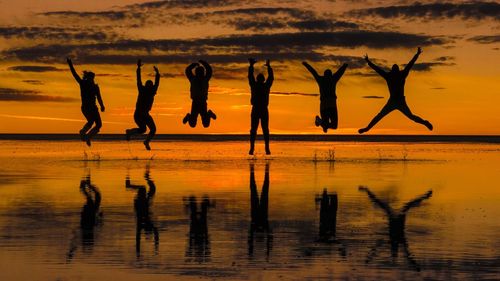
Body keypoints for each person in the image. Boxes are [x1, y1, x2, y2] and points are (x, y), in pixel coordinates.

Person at [359, 47, 433, 134]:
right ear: (392, 70)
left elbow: (410, 64)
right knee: (380, 115)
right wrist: (368, 62)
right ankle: (367, 128)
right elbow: (377, 69)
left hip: (401, 101)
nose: (395, 70)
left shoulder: (401, 74)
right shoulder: (389, 76)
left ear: (398, 70)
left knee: (411, 116)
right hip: (392, 101)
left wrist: (417, 54)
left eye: (396, 69)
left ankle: (425, 122)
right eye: (394, 69)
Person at [359, 186, 432, 271]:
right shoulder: (400, 241)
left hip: (396, 229)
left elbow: (376, 250)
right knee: (405, 206)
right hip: (398, 230)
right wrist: (415, 266)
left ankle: (425, 196)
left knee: (401, 206)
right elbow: (408, 256)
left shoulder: (394, 239)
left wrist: (369, 257)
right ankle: (425, 196)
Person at [67, 58, 105, 146]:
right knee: (91, 122)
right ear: (88, 78)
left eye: (93, 78)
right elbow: (75, 74)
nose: (92, 80)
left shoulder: (95, 87)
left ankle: (88, 136)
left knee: (98, 124)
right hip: (86, 107)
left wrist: (102, 106)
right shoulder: (83, 84)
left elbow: (99, 97)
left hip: (93, 108)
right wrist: (70, 65)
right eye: (91, 78)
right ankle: (83, 133)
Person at [302, 61, 348, 133]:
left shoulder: (321, 79)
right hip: (331, 105)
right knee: (334, 126)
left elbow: (313, 72)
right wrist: (344, 66)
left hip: (324, 106)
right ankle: (321, 123)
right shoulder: (332, 79)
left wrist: (306, 65)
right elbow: (339, 73)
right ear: (330, 75)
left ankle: (321, 123)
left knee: (329, 126)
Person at [126, 59, 160, 151]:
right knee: (143, 129)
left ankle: (146, 142)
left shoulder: (153, 91)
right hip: (139, 114)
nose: (150, 86)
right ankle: (129, 132)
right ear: (146, 85)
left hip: (146, 114)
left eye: (150, 84)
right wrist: (138, 68)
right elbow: (138, 80)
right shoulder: (142, 89)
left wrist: (157, 73)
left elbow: (157, 83)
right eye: (148, 84)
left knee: (152, 130)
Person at [126, 168, 159, 257]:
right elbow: (156, 232)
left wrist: (138, 251)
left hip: (140, 205)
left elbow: (138, 239)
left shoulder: (141, 225)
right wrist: (156, 246)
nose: (150, 227)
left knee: (143, 189)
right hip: (144, 205)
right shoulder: (148, 225)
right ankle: (146, 178)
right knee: (152, 189)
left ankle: (129, 185)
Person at [248, 58, 274, 155]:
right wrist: (269, 68)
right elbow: (271, 78)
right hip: (259, 109)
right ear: (263, 80)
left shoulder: (257, 85)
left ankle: (259, 148)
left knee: (259, 129)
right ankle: (256, 148)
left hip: (260, 109)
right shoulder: (259, 85)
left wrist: (251, 66)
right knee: (260, 129)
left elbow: (250, 77)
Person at [182, 60, 216, 128]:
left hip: (202, 102)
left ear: (202, 73)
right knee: (192, 124)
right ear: (197, 73)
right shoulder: (193, 79)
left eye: (201, 72)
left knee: (206, 124)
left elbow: (209, 70)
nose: (200, 74)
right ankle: (188, 116)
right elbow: (188, 71)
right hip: (195, 102)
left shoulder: (205, 79)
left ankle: (209, 113)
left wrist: (203, 63)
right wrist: (193, 65)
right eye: (199, 72)